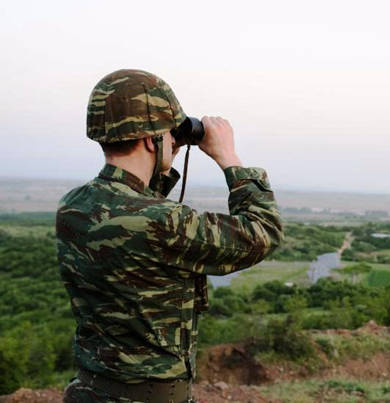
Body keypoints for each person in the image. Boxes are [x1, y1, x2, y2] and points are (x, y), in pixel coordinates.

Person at [56, 69, 283, 402]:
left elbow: (134, 210)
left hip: (89, 390)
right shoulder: (163, 223)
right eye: (169, 131)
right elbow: (263, 232)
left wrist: (161, 156)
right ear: (151, 138)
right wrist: (229, 159)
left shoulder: (73, 207)